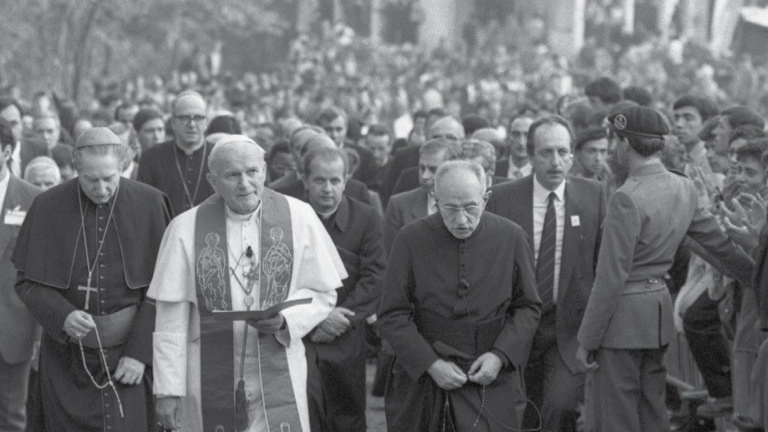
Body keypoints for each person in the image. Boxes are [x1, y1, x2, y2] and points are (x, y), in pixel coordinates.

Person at [150, 135, 347, 432]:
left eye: (252, 172)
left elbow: (323, 293)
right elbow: (170, 320)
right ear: (212, 181)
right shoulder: (185, 228)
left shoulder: (299, 217)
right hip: (205, 373)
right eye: (232, 175)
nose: (244, 183)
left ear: (264, 171)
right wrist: (168, 390)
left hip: (279, 366)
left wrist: (285, 320)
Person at [576, 106, 755, 432]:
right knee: (651, 411)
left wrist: (587, 339)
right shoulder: (682, 187)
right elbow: (719, 246)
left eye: (616, 142)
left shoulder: (626, 197)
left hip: (621, 321)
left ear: (625, 144)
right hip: (657, 313)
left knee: (616, 414)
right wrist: (758, 276)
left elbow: (610, 278)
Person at [12, 127, 172, 431]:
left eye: (109, 179)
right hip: (67, 359)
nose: (101, 189)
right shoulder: (47, 206)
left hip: (130, 359)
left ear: (123, 165)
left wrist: (139, 355)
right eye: (90, 179)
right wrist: (62, 315)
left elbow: (164, 289)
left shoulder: (151, 204)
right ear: (75, 167)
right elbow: (27, 282)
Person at [378, 160, 541, 431]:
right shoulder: (409, 239)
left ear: (485, 199)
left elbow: (528, 307)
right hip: (425, 374)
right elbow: (392, 314)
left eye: (470, 207)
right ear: (435, 200)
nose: (461, 219)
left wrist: (500, 356)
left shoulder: (511, 236)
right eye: (450, 209)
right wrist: (431, 364)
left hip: (491, 375)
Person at [486, 115, 606, 432]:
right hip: (516, 325)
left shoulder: (594, 196)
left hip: (567, 328)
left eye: (563, 152)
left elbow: (601, 266)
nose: (556, 162)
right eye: (546, 152)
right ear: (530, 154)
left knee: (560, 406)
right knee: (520, 410)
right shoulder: (503, 198)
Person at [302, 147, 386, 431]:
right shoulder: (291, 217)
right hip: (302, 335)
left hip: (346, 335)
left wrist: (340, 318)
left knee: (347, 415)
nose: (328, 189)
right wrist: (315, 318)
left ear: (346, 180)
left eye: (335, 181)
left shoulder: (366, 217)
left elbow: (375, 276)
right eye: (319, 180)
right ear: (305, 180)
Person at [0, 118, 41, 432]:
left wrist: (39, 335)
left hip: (13, 329)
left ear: (6, 151)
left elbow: (41, 273)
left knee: (12, 417)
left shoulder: (32, 200)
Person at [137, 90, 216, 215]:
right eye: (185, 118)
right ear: (173, 122)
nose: (192, 124)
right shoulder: (151, 157)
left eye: (198, 118)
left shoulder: (220, 155)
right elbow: (143, 206)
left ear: (206, 122)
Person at [383, 138, 462, 254]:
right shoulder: (399, 205)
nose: (425, 176)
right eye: (422, 168)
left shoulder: (467, 204)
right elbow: (391, 256)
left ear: (453, 169)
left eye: (433, 169)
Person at [496, 116, 533, 180]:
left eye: (527, 135)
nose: (521, 142)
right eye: (516, 134)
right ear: (508, 138)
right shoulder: (495, 170)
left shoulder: (541, 172)